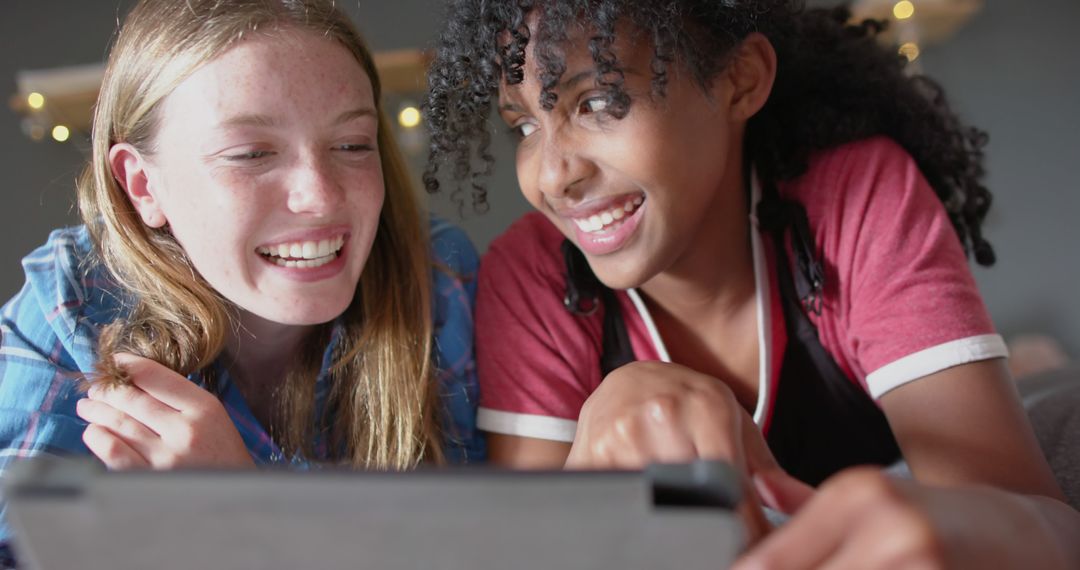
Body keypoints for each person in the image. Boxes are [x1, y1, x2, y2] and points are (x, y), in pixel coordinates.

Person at [423, 0, 1080, 567]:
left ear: (741, 79)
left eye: (597, 101)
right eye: (526, 126)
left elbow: (1047, 529)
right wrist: (609, 415)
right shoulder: (534, 273)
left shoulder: (852, 196)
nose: (551, 176)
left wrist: (952, 531)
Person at [0, 0, 483, 564]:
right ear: (143, 186)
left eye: (352, 145)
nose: (321, 196)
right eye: (251, 153)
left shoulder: (435, 278)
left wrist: (253, 511)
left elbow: (478, 548)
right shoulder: (74, 305)